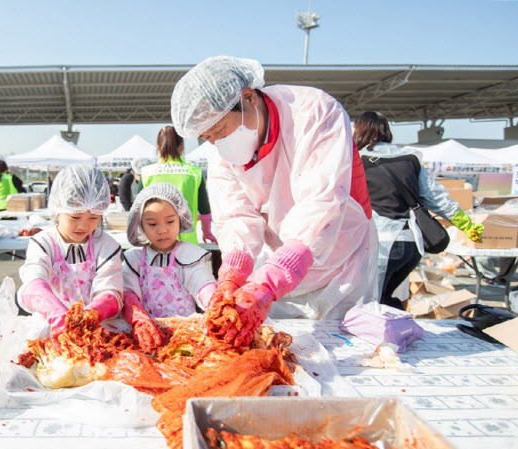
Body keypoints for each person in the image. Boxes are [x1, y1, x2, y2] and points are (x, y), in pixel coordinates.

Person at [171, 56, 377, 346]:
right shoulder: (221, 153)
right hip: (280, 260)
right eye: (207, 137)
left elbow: (322, 204)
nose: (216, 143)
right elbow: (235, 216)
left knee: (347, 348)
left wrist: (268, 281)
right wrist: (233, 272)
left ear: (248, 98)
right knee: (279, 347)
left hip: (343, 260)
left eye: (219, 131)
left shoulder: (314, 112)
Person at [353, 111, 483, 309]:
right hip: (412, 245)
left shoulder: (357, 161)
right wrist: (466, 225)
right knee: (386, 300)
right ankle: (400, 334)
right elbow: (437, 198)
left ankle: (389, 336)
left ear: (360, 130)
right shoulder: (410, 159)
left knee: (370, 305)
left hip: (381, 245)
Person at [17, 165, 123, 335]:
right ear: (58, 210)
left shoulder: (106, 246)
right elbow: (33, 283)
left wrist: (88, 317)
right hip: (50, 327)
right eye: (75, 217)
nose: (84, 225)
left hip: (96, 328)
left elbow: (110, 291)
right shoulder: (44, 243)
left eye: (94, 217)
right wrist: (57, 314)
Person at [122, 183, 217, 351]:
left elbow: (202, 282)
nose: (162, 230)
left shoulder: (189, 255)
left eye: (170, 221)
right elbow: (128, 292)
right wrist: (137, 317)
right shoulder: (134, 259)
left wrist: (213, 301)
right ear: (140, 224)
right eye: (152, 224)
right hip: (146, 336)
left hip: (186, 336)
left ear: (181, 219)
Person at [138, 126, 217, 245]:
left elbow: (136, 211)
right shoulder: (194, 173)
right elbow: (205, 210)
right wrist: (207, 232)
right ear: (181, 146)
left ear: (158, 148)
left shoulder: (146, 173)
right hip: (187, 243)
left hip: (155, 242)